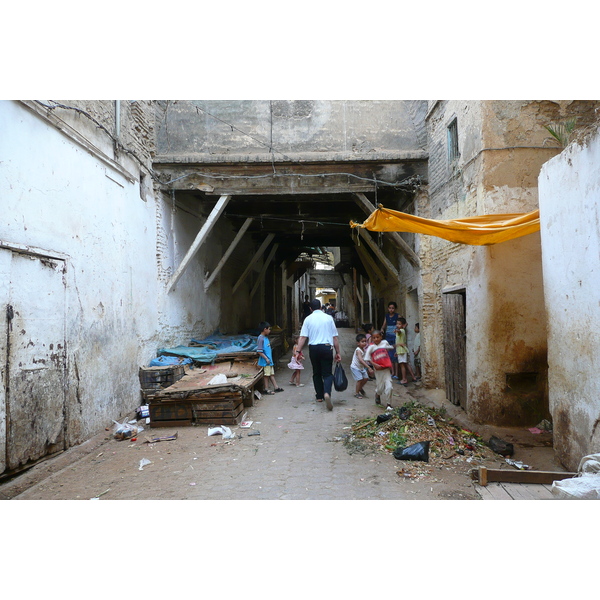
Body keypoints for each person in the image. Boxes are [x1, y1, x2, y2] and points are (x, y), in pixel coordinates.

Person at [295, 299, 341, 411]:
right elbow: (334, 338)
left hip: (314, 348)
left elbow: (303, 337)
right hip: (326, 347)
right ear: (321, 307)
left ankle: (319, 396)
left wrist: (297, 351)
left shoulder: (308, 319)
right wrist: (338, 352)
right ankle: (327, 393)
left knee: (316, 372)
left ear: (310, 308)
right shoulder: (328, 318)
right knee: (327, 374)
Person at [364, 329, 394, 406]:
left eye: (378, 337)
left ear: (381, 337)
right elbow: (367, 358)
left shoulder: (384, 343)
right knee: (380, 387)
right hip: (378, 370)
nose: (376, 339)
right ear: (372, 338)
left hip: (386, 369)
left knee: (389, 387)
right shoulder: (371, 347)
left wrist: (396, 346)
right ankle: (377, 394)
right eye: (374, 338)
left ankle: (389, 404)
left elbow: (389, 348)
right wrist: (374, 364)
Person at [257, 322, 283, 394]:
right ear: (265, 329)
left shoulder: (265, 338)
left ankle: (276, 387)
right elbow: (259, 351)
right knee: (266, 375)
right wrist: (266, 358)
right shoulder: (260, 339)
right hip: (266, 361)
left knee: (271, 374)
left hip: (269, 360)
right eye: (269, 329)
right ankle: (266, 389)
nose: (269, 331)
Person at [351, 334, 374, 398]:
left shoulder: (363, 349)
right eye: (362, 342)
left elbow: (366, 358)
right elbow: (361, 360)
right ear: (358, 343)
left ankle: (360, 388)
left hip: (361, 367)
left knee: (366, 378)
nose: (364, 343)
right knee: (360, 379)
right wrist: (368, 367)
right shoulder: (358, 350)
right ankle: (356, 393)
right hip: (355, 367)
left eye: (365, 341)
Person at [395, 317, 417, 385]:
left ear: (402, 325)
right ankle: (413, 377)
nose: (397, 325)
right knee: (406, 364)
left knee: (402, 365)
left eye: (399, 324)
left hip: (401, 351)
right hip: (403, 350)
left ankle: (404, 379)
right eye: (397, 324)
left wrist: (396, 330)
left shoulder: (401, 330)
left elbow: (399, 331)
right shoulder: (403, 330)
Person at [381, 302, 400, 379]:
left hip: (395, 337)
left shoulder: (397, 316)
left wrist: (400, 330)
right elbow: (384, 325)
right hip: (388, 337)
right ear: (388, 308)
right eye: (390, 308)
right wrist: (382, 330)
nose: (391, 309)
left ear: (395, 309)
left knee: (395, 355)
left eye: (392, 308)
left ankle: (396, 373)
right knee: (390, 355)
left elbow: (404, 323)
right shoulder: (387, 316)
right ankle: (392, 372)